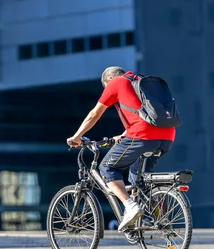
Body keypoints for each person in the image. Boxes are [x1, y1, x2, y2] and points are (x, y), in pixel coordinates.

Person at [67, 66, 176, 231]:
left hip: (142, 136)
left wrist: (77, 136)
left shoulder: (116, 82)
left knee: (107, 167)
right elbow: (141, 113)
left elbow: (94, 114)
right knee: (137, 181)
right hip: (167, 136)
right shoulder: (139, 81)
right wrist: (124, 135)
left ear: (108, 81)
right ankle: (155, 219)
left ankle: (130, 206)